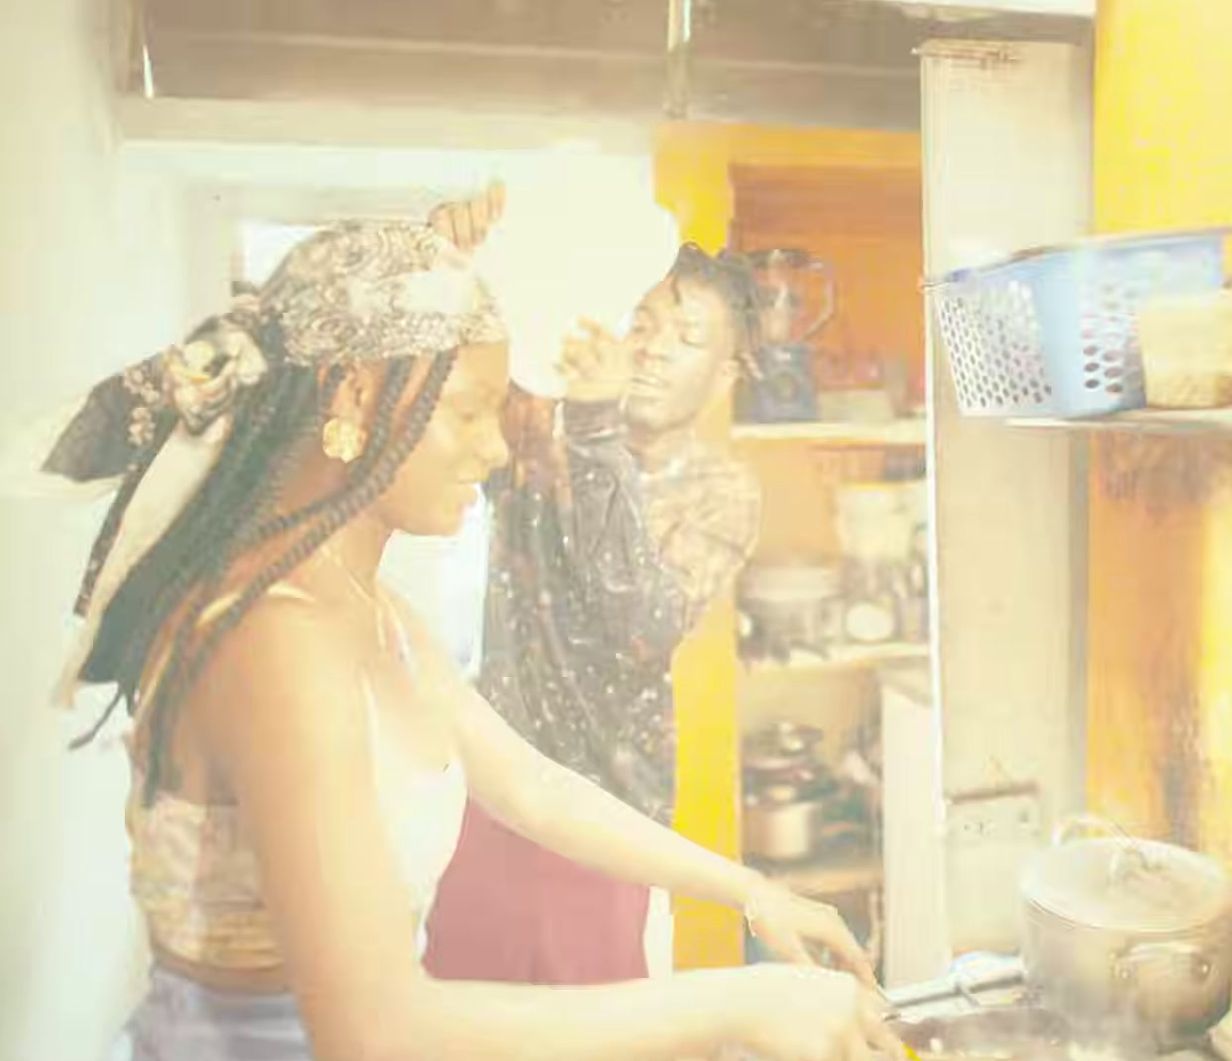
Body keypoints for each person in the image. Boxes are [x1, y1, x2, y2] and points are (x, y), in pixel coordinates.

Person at [41, 220, 893, 1060]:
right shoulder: (276, 640)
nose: (492, 449)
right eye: (469, 413)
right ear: (354, 395)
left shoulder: (368, 607)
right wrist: (741, 998)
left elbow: (530, 784)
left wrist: (749, 890)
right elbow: (371, 1031)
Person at [424, 196, 769, 985]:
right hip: (493, 792)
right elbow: (438, 396)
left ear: (724, 379)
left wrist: (594, 426)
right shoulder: (534, 421)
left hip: (610, 822)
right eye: (642, 322)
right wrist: (446, 270)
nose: (649, 350)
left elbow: (638, 622)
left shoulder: (721, 488)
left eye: (686, 339)